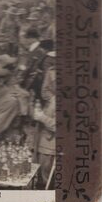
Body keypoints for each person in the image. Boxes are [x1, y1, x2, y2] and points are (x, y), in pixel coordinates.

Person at [32, 51, 56, 188]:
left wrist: (42, 117)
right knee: (40, 179)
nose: (46, 87)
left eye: (50, 83)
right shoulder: (52, 99)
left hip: (51, 147)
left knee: (48, 183)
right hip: (42, 144)